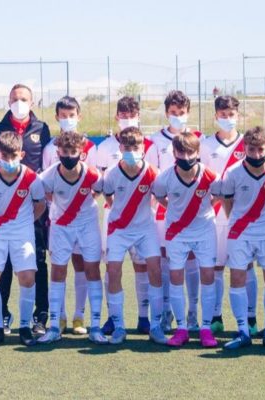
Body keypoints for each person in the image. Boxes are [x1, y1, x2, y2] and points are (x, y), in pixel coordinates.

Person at [0, 84, 52, 336]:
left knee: (37, 261)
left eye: (24, 99)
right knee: (2, 263)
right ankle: (2, 315)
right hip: (3, 208)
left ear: (32, 102)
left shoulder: (42, 129)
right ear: (8, 101)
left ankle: (40, 315)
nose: (19, 103)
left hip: (32, 205)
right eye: (15, 99)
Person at [221, 126, 265, 352]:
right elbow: (227, 203)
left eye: (261, 149)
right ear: (244, 149)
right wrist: (240, 221)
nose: (257, 154)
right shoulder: (232, 172)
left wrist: (263, 218)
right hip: (239, 232)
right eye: (252, 149)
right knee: (237, 278)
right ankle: (243, 331)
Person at [151, 131, 221, 348]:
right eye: (181, 152)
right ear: (174, 153)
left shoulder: (211, 176)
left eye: (190, 152)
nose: (186, 156)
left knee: (208, 275)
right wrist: (175, 212)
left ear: (198, 152)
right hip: (177, 232)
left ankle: (206, 328)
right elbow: (160, 198)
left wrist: (205, 210)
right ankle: (181, 328)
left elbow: (219, 195)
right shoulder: (164, 177)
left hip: (205, 231)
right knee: (175, 277)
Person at [0, 131, 47, 347]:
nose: (9, 161)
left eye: (13, 156)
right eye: (4, 156)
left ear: (22, 154)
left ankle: (25, 327)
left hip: (22, 232)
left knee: (27, 277)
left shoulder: (31, 178)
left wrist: (23, 223)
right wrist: (0, 221)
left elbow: (40, 205)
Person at [37, 131, 106, 344]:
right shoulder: (48, 176)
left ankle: (94, 326)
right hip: (61, 226)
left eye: (73, 151)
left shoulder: (93, 174)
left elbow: (99, 191)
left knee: (92, 269)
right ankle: (55, 326)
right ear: (57, 152)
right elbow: (47, 195)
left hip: (87, 225)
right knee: (58, 270)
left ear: (82, 153)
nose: (69, 155)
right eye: (64, 151)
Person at [94, 96, 155, 335]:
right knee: (112, 268)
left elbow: (155, 180)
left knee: (143, 268)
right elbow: (103, 187)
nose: (128, 119)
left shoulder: (148, 145)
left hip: (144, 218)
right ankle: (113, 318)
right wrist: (116, 206)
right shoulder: (104, 147)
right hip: (115, 219)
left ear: (138, 116)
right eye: (123, 115)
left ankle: (144, 317)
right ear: (116, 117)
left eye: (132, 115)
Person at [101, 127, 167, 345]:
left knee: (155, 270)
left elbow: (159, 197)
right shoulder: (110, 174)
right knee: (113, 271)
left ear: (143, 148)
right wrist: (121, 215)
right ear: (120, 148)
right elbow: (108, 197)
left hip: (145, 229)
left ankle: (155, 325)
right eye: (126, 147)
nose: (131, 151)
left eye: (135, 147)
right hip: (119, 229)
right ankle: (119, 326)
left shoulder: (153, 173)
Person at [200, 95, 258, 336]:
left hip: (241, 216)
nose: (227, 119)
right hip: (212, 216)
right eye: (223, 115)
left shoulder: (248, 144)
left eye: (231, 115)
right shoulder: (205, 145)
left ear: (238, 115)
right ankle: (216, 317)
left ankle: (251, 318)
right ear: (216, 116)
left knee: (247, 266)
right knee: (216, 267)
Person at [148, 90, 203, 333]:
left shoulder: (199, 138)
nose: (177, 117)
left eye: (181, 113)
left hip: (193, 214)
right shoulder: (154, 141)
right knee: (166, 261)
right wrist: (166, 206)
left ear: (188, 113)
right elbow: (153, 179)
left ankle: (192, 313)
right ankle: (167, 312)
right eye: (173, 113)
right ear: (166, 112)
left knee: (191, 261)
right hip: (164, 212)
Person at [41, 96, 97, 335]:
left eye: (71, 115)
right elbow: (46, 188)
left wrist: (79, 202)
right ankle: (59, 317)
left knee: (83, 265)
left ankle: (79, 316)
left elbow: (96, 183)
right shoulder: (49, 149)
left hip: (86, 219)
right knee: (58, 267)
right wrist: (63, 206)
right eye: (62, 115)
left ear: (79, 115)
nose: (67, 119)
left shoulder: (91, 148)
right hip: (60, 221)